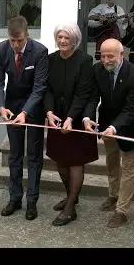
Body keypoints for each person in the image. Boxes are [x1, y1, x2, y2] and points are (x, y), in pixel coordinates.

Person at [83, 38, 134, 228]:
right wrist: (87, 117)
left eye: (111, 56)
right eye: (103, 56)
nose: (106, 60)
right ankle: (113, 195)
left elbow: (132, 107)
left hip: (129, 128)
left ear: (121, 54)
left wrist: (115, 127)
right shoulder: (97, 70)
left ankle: (122, 210)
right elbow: (93, 97)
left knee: (128, 169)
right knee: (111, 163)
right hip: (106, 124)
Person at [0, 16, 48, 220]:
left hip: (34, 106)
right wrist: (1, 107)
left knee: (33, 155)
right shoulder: (1, 49)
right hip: (11, 105)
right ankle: (15, 198)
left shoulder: (40, 51)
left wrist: (25, 112)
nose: (16, 45)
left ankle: (31, 201)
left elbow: (40, 86)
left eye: (20, 41)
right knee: (15, 154)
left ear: (27, 35)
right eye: (12, 41)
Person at [44, 22, 98, 226]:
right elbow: (47, 89)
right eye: (60, 36)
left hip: (76, 117)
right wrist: (49, 112)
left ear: (74, 39)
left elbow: (83, 93)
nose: (62, 40)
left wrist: (70, 118)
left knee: (75, 161)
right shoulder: (50, 59)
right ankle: (71, 196)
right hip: (55, 117)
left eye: (67, 37)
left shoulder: (85, 60)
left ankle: (70, 208)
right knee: (60, 160)